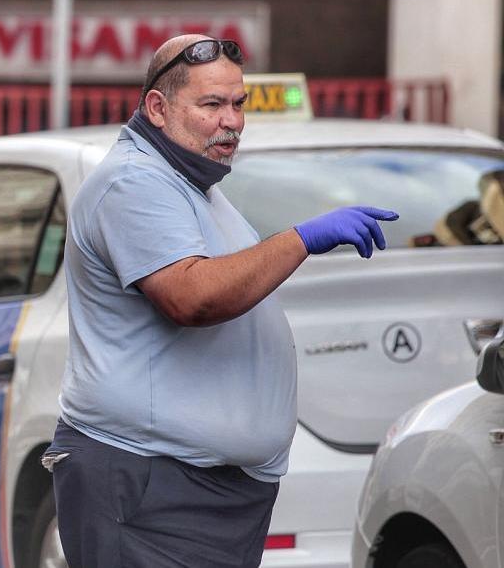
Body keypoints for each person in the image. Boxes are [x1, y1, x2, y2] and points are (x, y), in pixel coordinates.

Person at [46, 34, 398, 567]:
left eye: (238, 104)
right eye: (211, 104)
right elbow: (193, 297)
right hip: (149, 486)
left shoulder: (192, 184)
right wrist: (301, 239)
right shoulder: (133, 181)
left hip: (198, 490)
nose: (231, 121)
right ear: (158, 109)